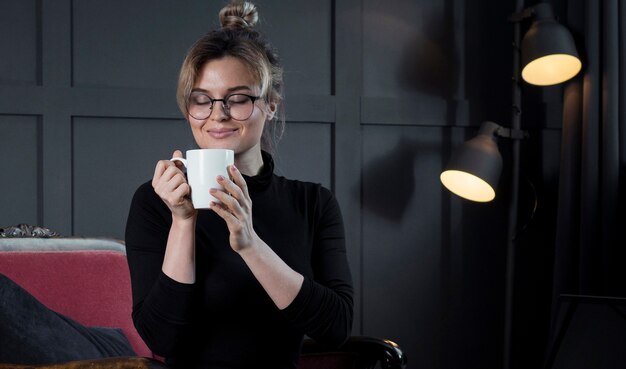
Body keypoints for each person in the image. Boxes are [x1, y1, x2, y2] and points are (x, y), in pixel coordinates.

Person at [124, 1, 354, 368]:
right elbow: (162, 338)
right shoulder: (155, 202)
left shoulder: (313, 203)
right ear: (189, 109)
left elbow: (335, 328)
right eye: (202, 100)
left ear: (272, 104)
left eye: (238, 99)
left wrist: (250, 245)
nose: (218, 114)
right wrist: (183, 222)